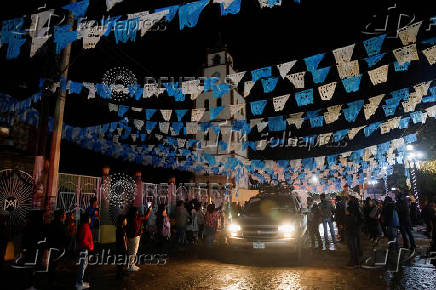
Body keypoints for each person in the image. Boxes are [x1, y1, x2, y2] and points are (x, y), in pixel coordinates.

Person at [126, 206, 152, 271]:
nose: (138, 212)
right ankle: (131, 266)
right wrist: (149, 210)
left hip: (129, 236)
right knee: (134, 251)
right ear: (135, 212)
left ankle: (130, 265)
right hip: (135, 236)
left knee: (130, 251)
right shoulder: (137, 217)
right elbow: (146, 217)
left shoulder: (128, 218)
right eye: (137, 211)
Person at [47, 209, 68, 285]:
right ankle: (52, 280)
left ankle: (51, 279)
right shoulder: (61, 225)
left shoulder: (51, 224)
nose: (65, 216)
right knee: (54, 264)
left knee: (51, 264)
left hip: (51, 246)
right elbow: (64, 237)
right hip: (58, 247)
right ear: (61, 216)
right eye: (64, 215)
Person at [76, 213, 94, 290]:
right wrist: (90, 246)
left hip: (83, 249)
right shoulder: (85, 228)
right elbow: (84, 241)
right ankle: (79, 283)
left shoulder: (83, 227)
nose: (90, 219)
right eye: (89, 218)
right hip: (84, 249)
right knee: (82, 266)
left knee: (83, 265)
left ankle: (80, 282)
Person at [344, 197, 363, 267]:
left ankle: (353, 261)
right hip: (356, 229)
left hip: (351, 229)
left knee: (351, 245)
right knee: (355, 244)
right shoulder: (358, 208)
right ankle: (356, 260)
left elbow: (348, 219)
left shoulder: (351, 209)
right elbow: (361, 220)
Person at [115, 215, 128, 279]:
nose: (126, 221)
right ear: (122, 221)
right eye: (125, 220)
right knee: (121, 260)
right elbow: (124, 240)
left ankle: (120, 272)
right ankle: (120, 274)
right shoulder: (121, 229)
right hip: (121, 247)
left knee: (120, 260)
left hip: (118, 246)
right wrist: (126, 248)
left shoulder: (119, 228)